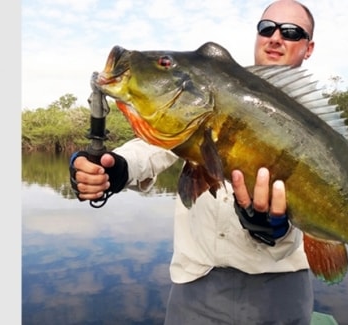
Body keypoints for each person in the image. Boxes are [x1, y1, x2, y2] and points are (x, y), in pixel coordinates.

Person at [70, 1, 317, 324]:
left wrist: (276, 229)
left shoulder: (315, 124)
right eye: (266, 28)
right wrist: (116, 167)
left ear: (308, 48)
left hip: (279, 290)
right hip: (198, 286)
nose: (275, 37)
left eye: (291, 32)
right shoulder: (209, 87)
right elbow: (156, 145)